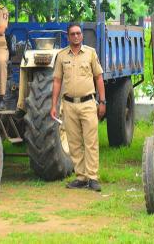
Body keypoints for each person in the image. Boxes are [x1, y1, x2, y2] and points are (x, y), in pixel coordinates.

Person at [50, 24, 106, 192]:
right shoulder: (61, 56)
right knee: (74, 143)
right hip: (68, 105)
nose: (76, 36)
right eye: (72, 34)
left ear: (82, 36)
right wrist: (54, 105)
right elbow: (57, 81)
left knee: (91, 141)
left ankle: (93, 177)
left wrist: (102, 101)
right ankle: (81, 177)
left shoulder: (90, 53)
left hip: (88, 103)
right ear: (68, 36)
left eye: (78, 33)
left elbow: (99, 78)